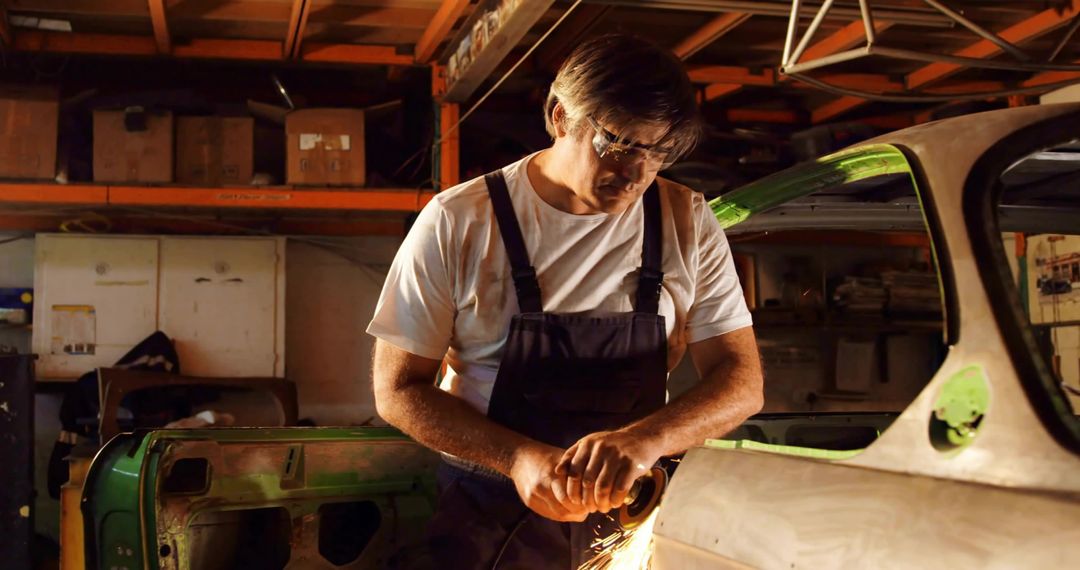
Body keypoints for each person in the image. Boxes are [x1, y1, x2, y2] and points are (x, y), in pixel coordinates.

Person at [368, 33, 764, 569]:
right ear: (559, 116)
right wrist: (517, 458)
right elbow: (397, 391)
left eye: (658, 152)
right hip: (489, 510)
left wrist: (646, 441)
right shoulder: (459, 220)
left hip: (632, 510)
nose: (636, 174)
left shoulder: (686, 220)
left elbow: (742, 383)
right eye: (619, 144)